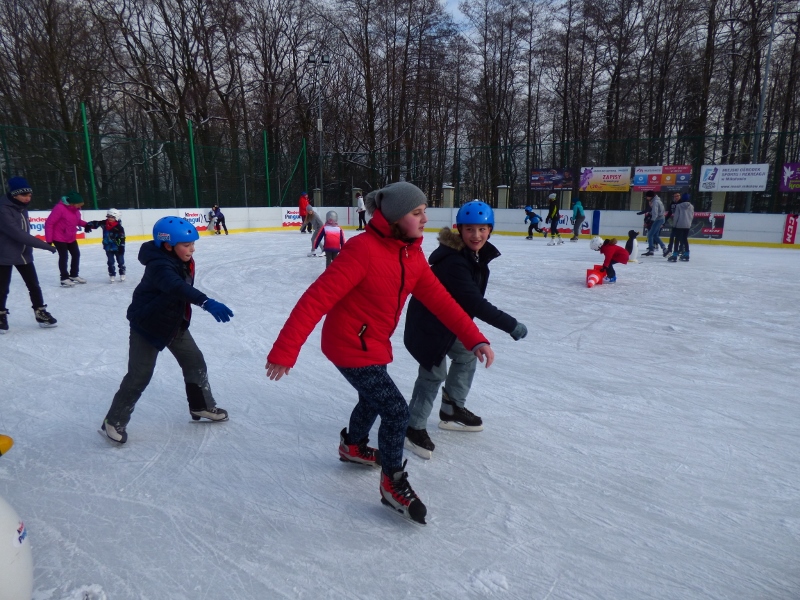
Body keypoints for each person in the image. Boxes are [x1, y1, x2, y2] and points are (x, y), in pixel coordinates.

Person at [265, 181, 495, 525]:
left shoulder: (411, 254)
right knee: (395, 410)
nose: (424, 218)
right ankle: (393, 483)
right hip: (347, 344)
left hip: (374, 343)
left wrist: (474, 338)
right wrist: (285, 350)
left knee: (373, 398)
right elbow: (316, 299)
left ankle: (353, 445)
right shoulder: (362, 251)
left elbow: (443, 302)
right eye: (417, 213)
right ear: (396, 217)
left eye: (423, 211)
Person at [403, 201, 526, 460]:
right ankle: (413, 427)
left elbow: (466, 304)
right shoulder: (454, 262)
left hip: (451, 323)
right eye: (470, 229)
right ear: (460, 230)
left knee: (468, 355)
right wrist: (510, 325)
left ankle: (451, 408)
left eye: (482, 229)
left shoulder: (474, 256)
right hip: (429, 326)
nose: (477, 235)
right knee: (433, 375)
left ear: (490, 230)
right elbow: (474, 303)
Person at [100, 216, 234, 444]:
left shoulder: (177, 258)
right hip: (148, 325)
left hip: (173, 323)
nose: (192, 249)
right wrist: (205, 302)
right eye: (186, 245)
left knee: (195, 362)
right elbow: (176, 286)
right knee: (139, 375)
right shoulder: (159, 266)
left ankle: (201, 406)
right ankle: (113, 421)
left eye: (193, 244)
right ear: (167, 245)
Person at [0, 176, 58, 332]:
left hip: (24, 253)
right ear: (13, 194)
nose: (27, 198)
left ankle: (40, 312)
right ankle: (0, 315)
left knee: (34, 285)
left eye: (30, 195)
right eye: (24, 195)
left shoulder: (21, 207)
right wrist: (44, 245)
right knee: (2, 288)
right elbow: (17, 234)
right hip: (3, 254)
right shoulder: (3, 209)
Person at [44, 190, 88, 286]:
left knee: (76, 254)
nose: (80, 207)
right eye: (78, 204)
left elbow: (77, 221)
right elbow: (49, 223)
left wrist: (88, 225)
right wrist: (49, 240)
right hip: (59, 237)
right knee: (64, 256)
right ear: (72, 203)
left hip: (70, 236)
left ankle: (73, 275)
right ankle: (64, 278)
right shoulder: (59, 208)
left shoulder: (75, 210)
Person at [84, 209, 126, 283]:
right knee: (110, 262)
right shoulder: (104, 223)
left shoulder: (119, 228)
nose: (110, 218)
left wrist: (121, 246)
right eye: (108, 217)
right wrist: (88, 225)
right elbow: (95, 223)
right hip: (108, 247)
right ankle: (112, 274)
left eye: (112, 217)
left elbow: (122, 238)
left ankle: (122, 272)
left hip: (117, 247)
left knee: (120, 261)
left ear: (116, 218)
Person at [668, 193, 695, 262]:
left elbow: (676, 216)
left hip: (679, 225)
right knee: (685, 239)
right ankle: (687, 254)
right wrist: (689, 223)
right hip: (687, 225)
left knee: (677, 240)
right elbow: (692, 216)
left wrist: (674, 225)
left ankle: (675, 255)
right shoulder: (691, 206)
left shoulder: (679, 206)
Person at [642, 190, 667, 256]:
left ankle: (651, 250)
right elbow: (657, 211)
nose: (646, 198)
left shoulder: (655, 202)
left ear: (650, 196)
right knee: (655, 235)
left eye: (647, 196)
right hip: (660, 219)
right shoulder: (657, 201)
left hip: (658, 219)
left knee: (650, 235)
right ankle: (664, 248)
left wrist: (652, 220)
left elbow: (655, 213)